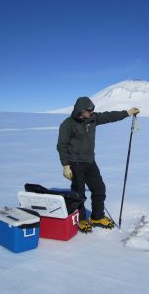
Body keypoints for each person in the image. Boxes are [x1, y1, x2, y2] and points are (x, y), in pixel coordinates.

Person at [57, 96, 140, 233]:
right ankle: (81, 219)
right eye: (88, 111)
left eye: (92, 110)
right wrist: (66, 166)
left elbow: (109, 116)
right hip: (75, 163)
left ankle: (97, 217)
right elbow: (62, 146)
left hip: (90, 162)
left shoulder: (93, 119)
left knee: (99, 189)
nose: (91, 113)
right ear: (80, 110)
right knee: (79, 194)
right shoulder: (67, 124)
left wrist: (127, 113)